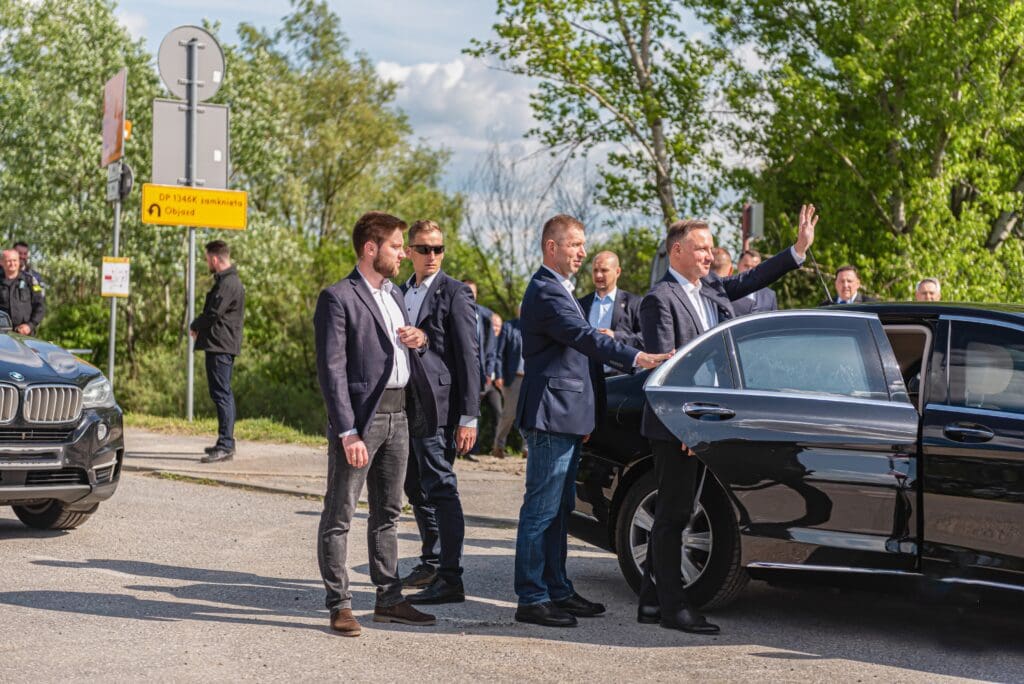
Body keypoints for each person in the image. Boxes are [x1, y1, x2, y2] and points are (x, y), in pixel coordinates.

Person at [638, 205, 818, 635]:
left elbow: (752, 280)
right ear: (677, 251)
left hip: (703, 424)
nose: (709, 254)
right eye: (701, 248)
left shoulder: (712, 288)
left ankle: (649, 600)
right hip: (678, 427)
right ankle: (673, 609)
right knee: (674, 515)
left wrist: (796, 251)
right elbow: (665, 370)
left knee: (675, 510)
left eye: (711, 247)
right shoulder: (659, 299)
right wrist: (688, 424)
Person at [513, 214, 672, 628]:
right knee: (541, 509)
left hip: (568, 413)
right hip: (551, 414)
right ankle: (532, 597)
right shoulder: (547, 292)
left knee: (560, 508)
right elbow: (583, 339)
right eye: (574, 245)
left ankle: (557, 589)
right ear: (552, 247)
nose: (582, 252)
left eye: (583, 245)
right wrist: (636, 358)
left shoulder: (562, 289)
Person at [398, 220, 481, 605]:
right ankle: (431, 560)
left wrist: (469, 415)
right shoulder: (401, 292)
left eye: (438, 249)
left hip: (442, 407)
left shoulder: (456, 292)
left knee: (441, 488)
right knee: (414, 485)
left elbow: (468, 355)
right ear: (410, 252)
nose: (433, 256)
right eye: (425, 249)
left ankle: (451, 577)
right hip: (406, 403)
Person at [189, 240, 245, 464]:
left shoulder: (228, 283)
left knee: (222, 394)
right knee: (220, 393)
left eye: (207, 259)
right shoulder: (227, 282)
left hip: (221, 346)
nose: (207, 263)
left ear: (214, 259)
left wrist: (195, 325)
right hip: (220, 344)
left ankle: (226, 445)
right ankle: (224, 442)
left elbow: (213, 313)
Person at [462, 279, 500, 461]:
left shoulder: (485, 317)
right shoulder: (450, 311)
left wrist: (490, 372)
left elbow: (491, 348)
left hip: (479, 371)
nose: (470, 296)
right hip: (456, 370)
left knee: (474, 409)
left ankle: (471, 449)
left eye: (473, 293)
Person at [577, 251, 644, 350]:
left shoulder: (635, 303)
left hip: (620, 364)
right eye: (595, 270)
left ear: (617, 272)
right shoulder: (581, 304)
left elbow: (646, 338)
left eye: (604, 270)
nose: (598, 275)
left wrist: (615, 336)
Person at [492, 306, 525, 459]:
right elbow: (498, 354)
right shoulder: (509, 327)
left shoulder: (537, 328)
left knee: (529, 415)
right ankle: (498, 445)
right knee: (509, 414)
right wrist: (498, 375)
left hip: (531, 378)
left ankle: (527, 448)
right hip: (513, 378)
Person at [0, 249, 44, 335]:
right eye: (9, 261)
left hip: (25, 335)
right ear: (1, 262)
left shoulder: (30, 281)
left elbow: (40, 307)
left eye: (15, 260)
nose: (12, 264)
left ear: (19, 261)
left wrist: (30, 325)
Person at [731, 249, 779, 316]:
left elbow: (773, 323)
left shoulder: (769, 295)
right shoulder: (727, 292)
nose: (749, 270)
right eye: (746, 266)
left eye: (754, 267)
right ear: (738, 265)